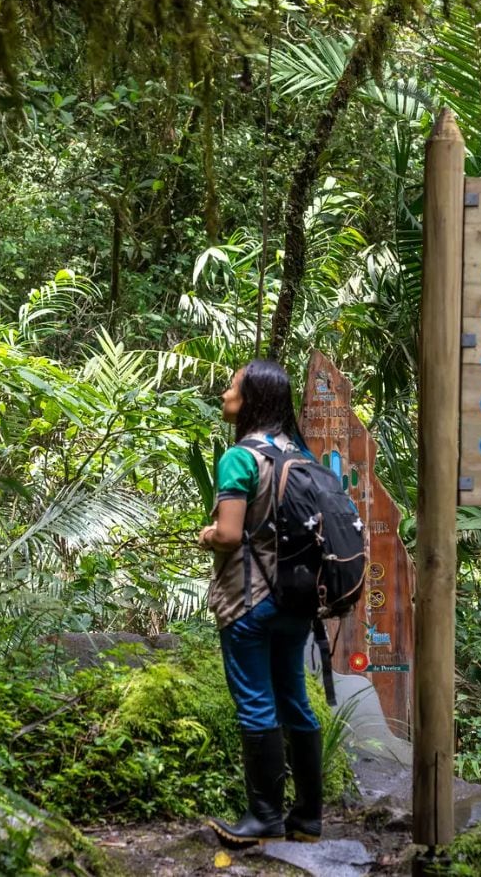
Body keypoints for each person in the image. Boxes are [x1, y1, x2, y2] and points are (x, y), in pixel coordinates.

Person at [197, 359, 322, 846]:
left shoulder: (241, 458)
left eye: (232, 387)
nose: (226, 393)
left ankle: (263, 817)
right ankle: (308, 818)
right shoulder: (301, 455)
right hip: (297, 600)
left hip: (250, 600)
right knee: (295, 697)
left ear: (252, 399)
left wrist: (207, 534)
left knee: (255, 702)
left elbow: (229, 535)